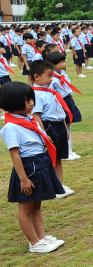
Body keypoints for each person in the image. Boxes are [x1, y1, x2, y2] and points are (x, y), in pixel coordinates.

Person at [0, 81, 66, 253]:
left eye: (32, 99)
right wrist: (23, 179)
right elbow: (15, 155)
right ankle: (34, 243)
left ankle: (42, 238)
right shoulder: (11, 127)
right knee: (26, 207)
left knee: (37, 205)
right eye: (27, 101)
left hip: (40, 162)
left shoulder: (27, 119)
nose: (32, 104)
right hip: (29, 168)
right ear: (12, 102)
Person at [30, 60, 74, 198]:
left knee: (59, 157)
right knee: (50, 158)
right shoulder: (36, 94)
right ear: (36, 77)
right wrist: (43, 134)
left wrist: (65, 128)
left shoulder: (50, 92)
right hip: (47, 126)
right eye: (48, 76)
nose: (51, 79)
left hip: (58, 125)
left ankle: (59, 184)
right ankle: (52, 187)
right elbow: (36, 116)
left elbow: (59, 112)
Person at [46, 51, 82, 160]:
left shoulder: (63, 75)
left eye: (64, 61)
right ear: (53, 64)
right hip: (60, 103)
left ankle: (70, 150)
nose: (64, 64)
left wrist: (71, 98)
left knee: (69, 127)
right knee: (64, 127)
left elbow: (68, 89)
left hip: (68, 101)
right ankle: (66, 152)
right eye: (61, 62)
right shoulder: (52, 78)